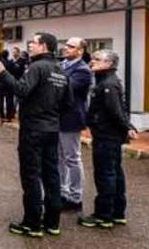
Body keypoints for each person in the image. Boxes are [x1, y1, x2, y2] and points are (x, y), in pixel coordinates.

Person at [0, 32, 72, 238]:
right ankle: (52, 223)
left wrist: (3, 73)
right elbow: (68, 103)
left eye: (34, 42)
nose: (30, 45)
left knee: (31, 176)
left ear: (44, 46)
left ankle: (32, 224)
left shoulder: (37, 67)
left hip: (33, 130)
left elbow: (21, 89)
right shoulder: (61, 70)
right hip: (52, 129)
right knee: (52, 175)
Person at [78, 49, 138, 229]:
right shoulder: (107, 81)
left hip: (106, 136)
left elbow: (115, 110)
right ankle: (117, 213)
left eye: (97, 59)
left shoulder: (108, 84)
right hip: (108, 135)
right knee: (115, 173)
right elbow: (120, 108)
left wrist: (127, 127)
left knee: (106, 175)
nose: (92, 62)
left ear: (109, 64)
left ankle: (104, 215)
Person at [59, 37, 92, 211]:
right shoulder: (62, 65)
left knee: (72, 158)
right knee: (59, 158)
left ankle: (75, 197)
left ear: (80, 51)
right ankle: (61, 192)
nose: (66, 48)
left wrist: (53, 78)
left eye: (71, 46)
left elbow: (64, 87)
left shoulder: (82, 70)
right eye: (66, 45)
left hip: (71, 119)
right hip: (58, 118)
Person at [1, 50, 18, 122]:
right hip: (9, 83)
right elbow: (14, 72)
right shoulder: (11, 63)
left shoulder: (1, 64)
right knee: (10, 100)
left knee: (0, 101)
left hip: (1, 84)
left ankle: (2, 115)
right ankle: (9, 116)